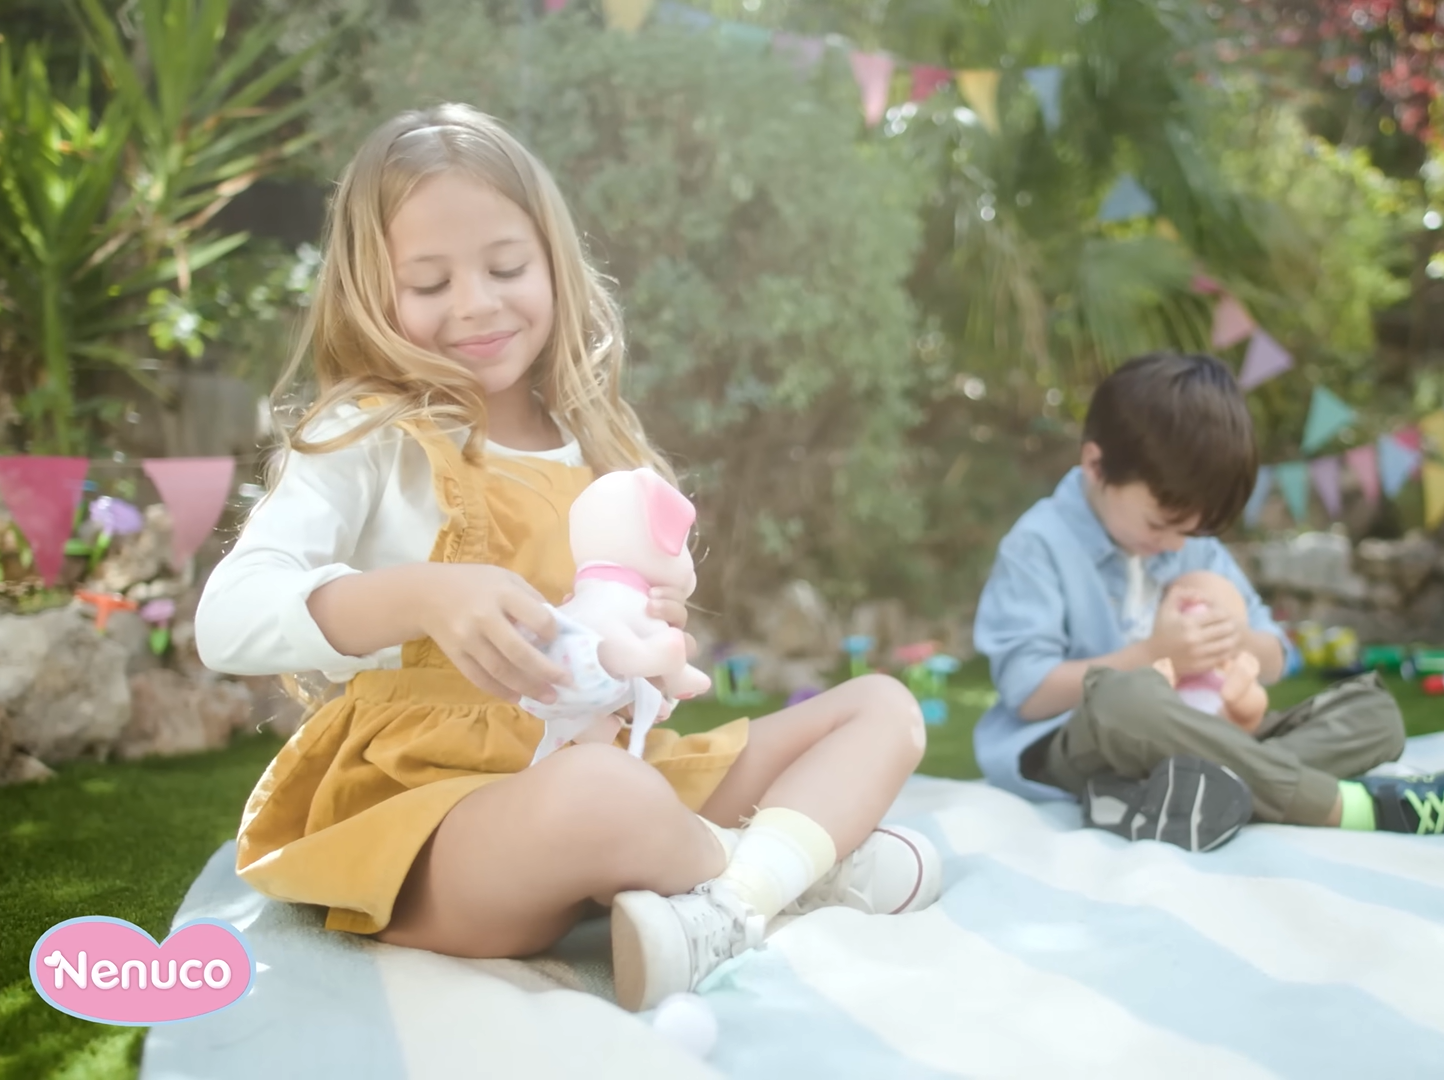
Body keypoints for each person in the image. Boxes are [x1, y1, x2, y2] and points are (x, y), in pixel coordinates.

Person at [196, 103, 939, 1015]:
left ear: (552, 260)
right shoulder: (369, 432)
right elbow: (227, 617)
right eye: (428, 282)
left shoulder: (593, 444)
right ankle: (792, 869)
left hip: (613, 765)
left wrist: (653, 637)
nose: (475, 303)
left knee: (882, 709)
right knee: (601, 795)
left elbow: (626, 665)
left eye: (506, 267)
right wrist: (420, 595)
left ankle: (733, 897)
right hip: (441, 821)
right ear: (366, 292)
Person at [972, 352, 1444, 852]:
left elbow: (1277, 653)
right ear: (1096, 466)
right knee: (1127, 699)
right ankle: (1360, 807)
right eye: (1161, 523)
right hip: (1071, 744)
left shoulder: (1191, 541)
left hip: (1200, 737)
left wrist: (1232, 643)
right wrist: (1154, 653)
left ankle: (1161, 799)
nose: (1175, 544)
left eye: (1190, 531)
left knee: (1375, 714)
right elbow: (1028, 693)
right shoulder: (1038, 544)